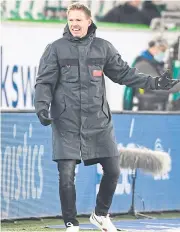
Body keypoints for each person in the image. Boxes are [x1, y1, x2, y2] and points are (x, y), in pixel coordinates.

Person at [34, 3, 179, 232]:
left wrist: (155, 83)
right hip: (67, 122)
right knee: (66, 174)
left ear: (88, 21)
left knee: (113, 170)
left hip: (98, 122)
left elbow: (125, 75)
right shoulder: (55, 49)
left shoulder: (104, 48)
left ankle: (100, 215)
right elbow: (44, 82)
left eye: (78, 20)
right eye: (71, 20)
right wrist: (42, 106)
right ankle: (71, 224)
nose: (74, 24)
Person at [132, 37, 170, 110]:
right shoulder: (143, 63)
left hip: (154, 99)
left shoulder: (155, 63)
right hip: (147, 101)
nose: (163, 53)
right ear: (154, 48)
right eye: (162, 50)